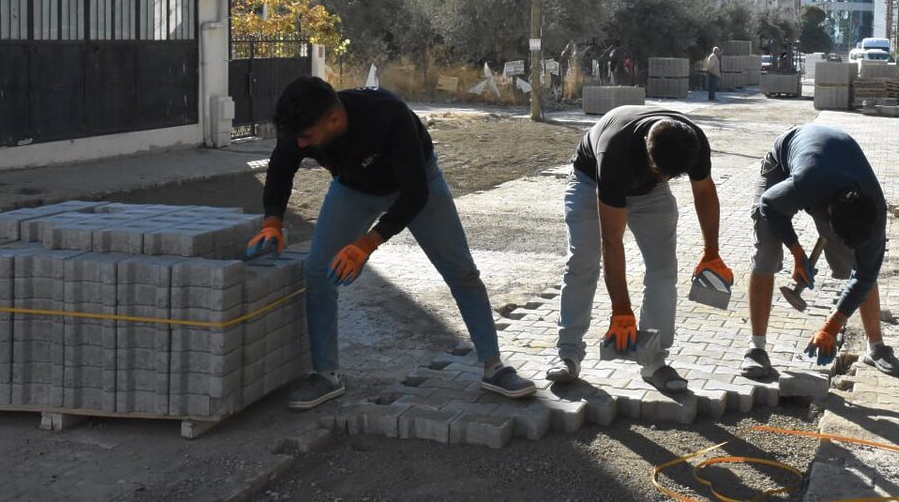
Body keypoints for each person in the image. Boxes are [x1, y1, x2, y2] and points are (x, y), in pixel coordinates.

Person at [247, 76, 536, 410]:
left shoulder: (387, 115)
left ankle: (494, 368)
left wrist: (366, 245)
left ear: (334, 119)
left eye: (307, 138)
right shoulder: (302, 126)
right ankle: (326, 375)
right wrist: (273, 221)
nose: (300, 145)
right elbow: (281, 167)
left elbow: (415, 195)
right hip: (353, 189)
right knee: (317, 271)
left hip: (417, 185)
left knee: (462, 272)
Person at [546, 106, 731, 394]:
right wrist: (621, 309)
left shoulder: (692, 142)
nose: (668, 180)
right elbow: (612, 240)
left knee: (663, 270)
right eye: (663, 172)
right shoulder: (615, 152)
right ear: (648, 152)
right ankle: (568, 353)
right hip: (591, 182)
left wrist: (712, 252)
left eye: (673, 176)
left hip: (649, 192)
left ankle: (654, 361)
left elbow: (705, 191)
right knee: (583, 260)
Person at [742, 124, 899, 381]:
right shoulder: (806, 183)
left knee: (862, 264)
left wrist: (831, 327)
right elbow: (770, 206)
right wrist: (797, 252)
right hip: (783, 163)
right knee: (767, 250)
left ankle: (876, 349)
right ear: (828, 215)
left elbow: (865, 274)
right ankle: (756, 349)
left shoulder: (873, 211)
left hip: (832, 170)